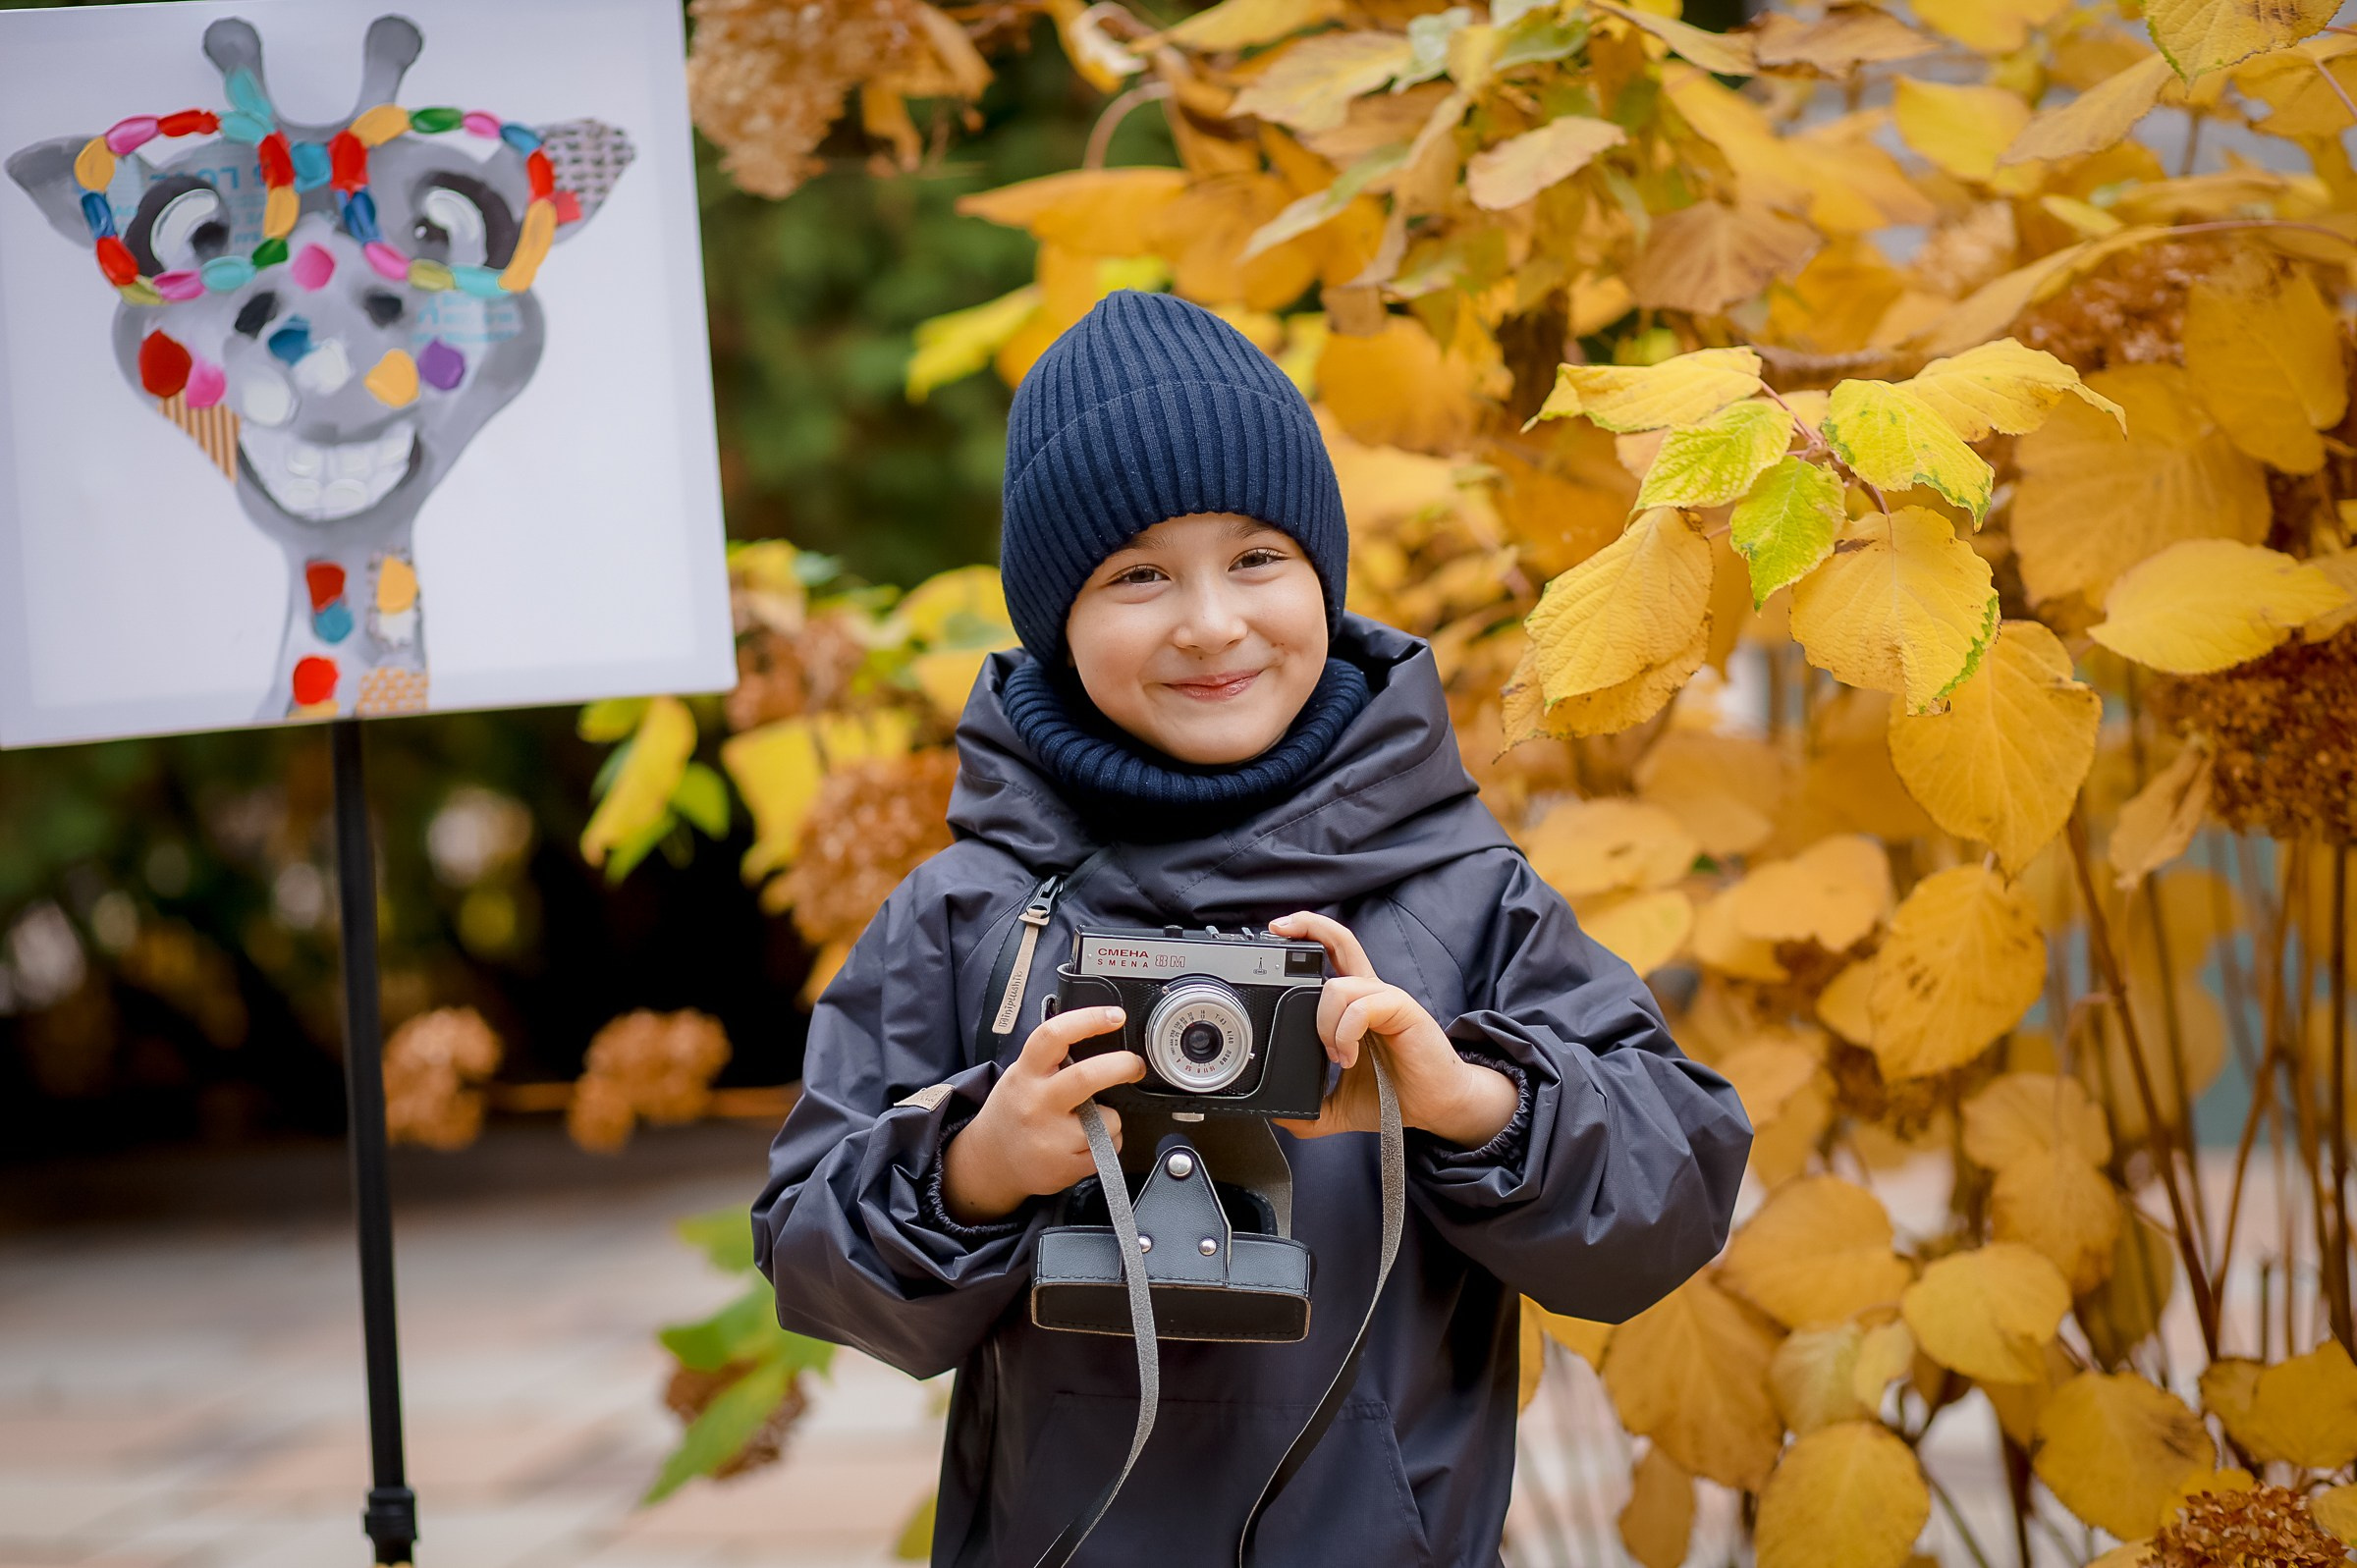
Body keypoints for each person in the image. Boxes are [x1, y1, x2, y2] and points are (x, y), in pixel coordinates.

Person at [752, 289, 1751, 1568]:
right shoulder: (975, 911)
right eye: (1138, 575)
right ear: (1054, 616)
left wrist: (1473, 1108)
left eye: (1257, 558)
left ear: (1323, 575)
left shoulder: (1455, 890)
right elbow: (809, 1248)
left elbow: (1674, 1192)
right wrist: (978, 1167)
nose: (1212, 622)